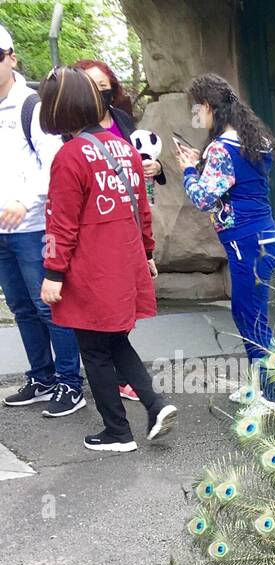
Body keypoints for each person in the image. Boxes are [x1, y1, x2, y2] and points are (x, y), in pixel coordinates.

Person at [38, 66, 176, 452]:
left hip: (90, 269)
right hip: (125, 262)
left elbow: (60, 222)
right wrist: (147, 253)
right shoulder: (124, 148)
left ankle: (117, 432)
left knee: (94, 350)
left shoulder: (70, 156)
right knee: (114, 342)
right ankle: (155, 403)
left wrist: (53, 272)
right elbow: (142, 210)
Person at [177, 73, 275, 406]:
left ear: (208, 107)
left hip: (246, 243)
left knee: (251, 317)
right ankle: (260, 384)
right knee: (248, 314)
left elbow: (204, 199)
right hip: (263, 236)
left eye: (198, 108)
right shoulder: (254, 139)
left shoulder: (223, 148)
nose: (198, 115)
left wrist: (189, 169)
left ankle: (274, 393)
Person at [0, 24, 84, 416]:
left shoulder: (29, 105)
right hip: (1, 230)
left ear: (11, 57)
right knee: (20, 307)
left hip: (32, 226)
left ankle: (70, 382)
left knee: (48, 305)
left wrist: (25, 199)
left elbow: (54, 164)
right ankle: (41, 377)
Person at [76, 57, 165, 403]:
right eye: (91, 87)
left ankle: (121, 380)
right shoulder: (71, 135)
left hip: (125, 228)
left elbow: (139, 163)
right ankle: (118, 378)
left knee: (120, 315)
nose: (100, 94)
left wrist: (156, 168)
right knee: (102, 320)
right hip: (94, 232)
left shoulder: (123, 121)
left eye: (104, 87)